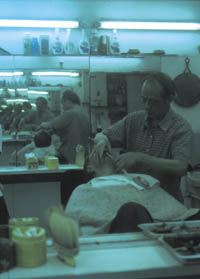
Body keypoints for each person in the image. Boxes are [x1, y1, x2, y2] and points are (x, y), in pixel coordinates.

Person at [91, 71, 193, 203]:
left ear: (169, 99)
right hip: (133, 200)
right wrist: (102, 141)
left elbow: (180, 166)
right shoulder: (134, 120)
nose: (147, 106)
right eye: (144, 99)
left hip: (166, 202)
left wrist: (141, 158)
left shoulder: (180, 128)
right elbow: (102, 135)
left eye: (153, 101)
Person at [64, 151, 200, 236]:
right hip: (123, 229)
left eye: (107, 150)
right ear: (90, 168)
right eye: (95, 152)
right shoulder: (86, 188)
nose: (104, 151)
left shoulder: (141, 179)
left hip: (170, 223)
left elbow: (165, 202)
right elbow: (74, 221)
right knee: (132, 210)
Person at [40, 90, 90, 164]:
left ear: (67, 100)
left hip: (70, 154)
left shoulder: (70, 113)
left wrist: (42, 124)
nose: (62, 106)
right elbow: (73, 130)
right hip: (82, 153)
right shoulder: (84, 113)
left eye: (62, 103)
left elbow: (50, 125)